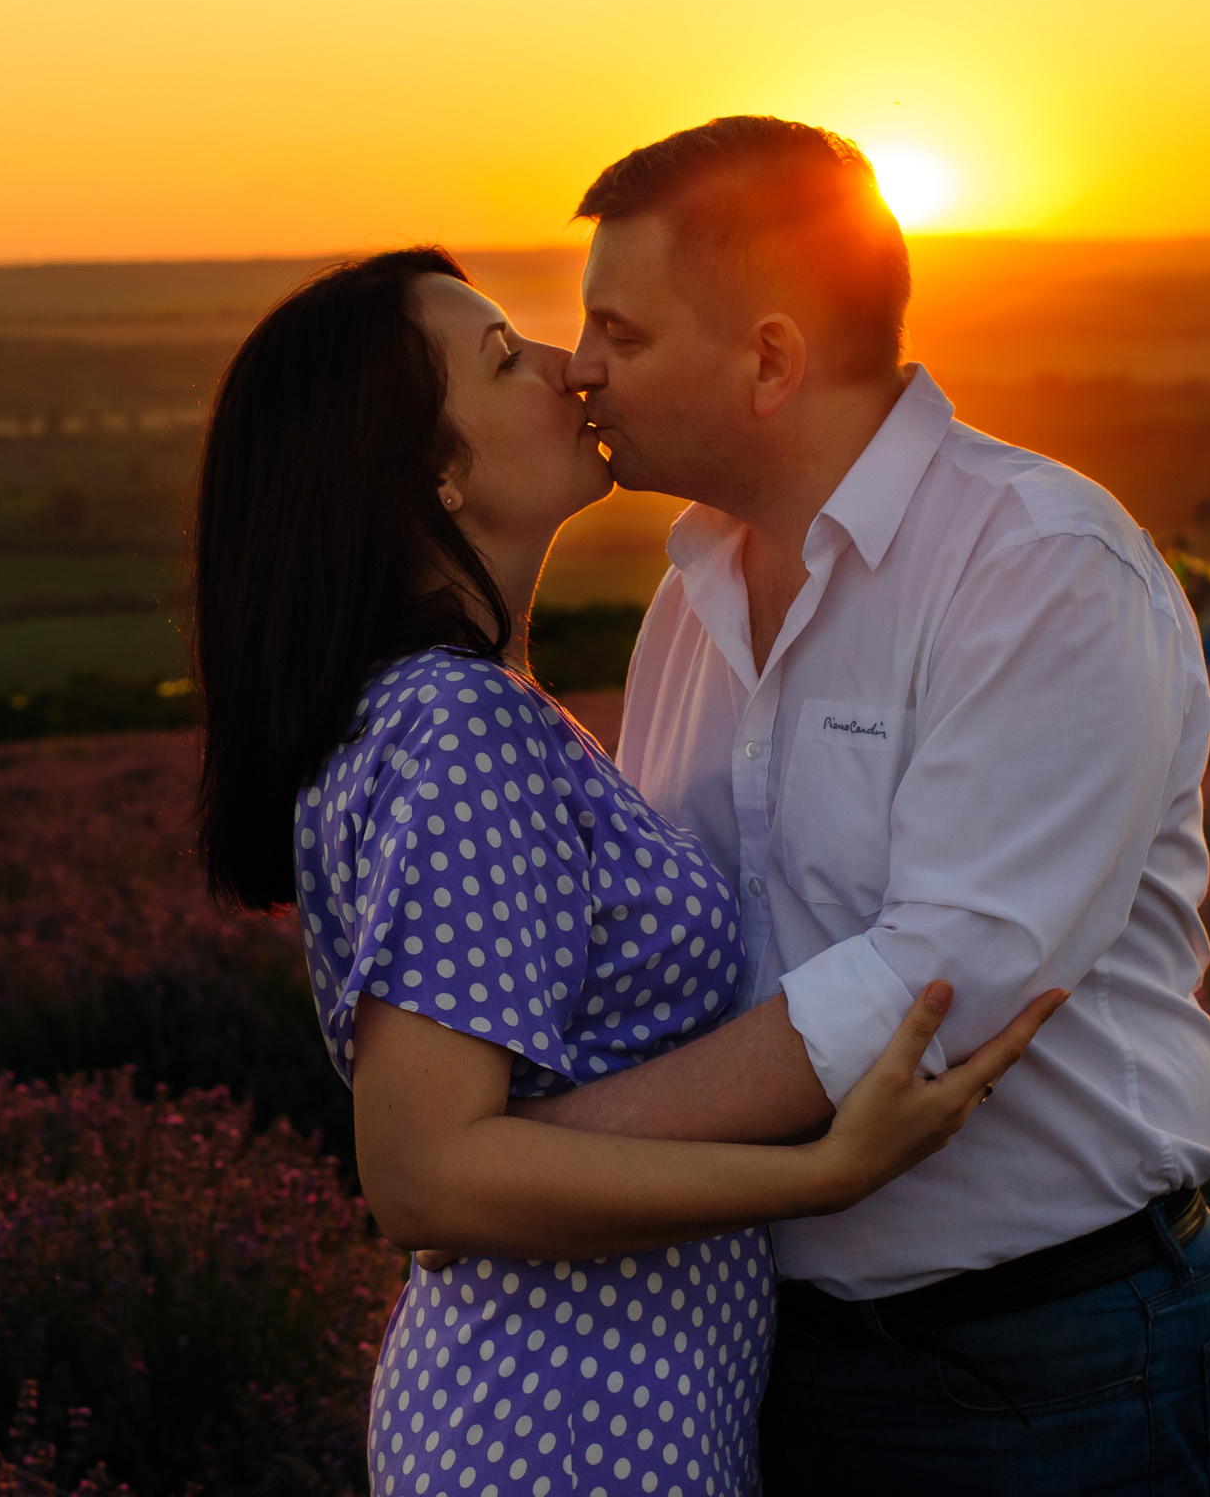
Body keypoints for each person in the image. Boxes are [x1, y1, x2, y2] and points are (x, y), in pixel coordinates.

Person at [189, 243, 1067, 1497]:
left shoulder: (476, 709)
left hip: (612, 1406)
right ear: (435, 473)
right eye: (505, 358)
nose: (569, 367)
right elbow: (424, 1172)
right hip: (561, 1428)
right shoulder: (456, 725)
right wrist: (821, 1173)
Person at [517, 117, 1210, 1494]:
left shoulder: (1040, 567)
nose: (580, 368)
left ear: (770, 359)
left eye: (621, 330)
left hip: (1030, 1359)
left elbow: (934, 983)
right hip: (747, 1341)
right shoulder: (692, 596)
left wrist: (537, 1167)